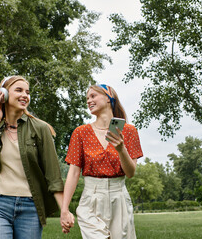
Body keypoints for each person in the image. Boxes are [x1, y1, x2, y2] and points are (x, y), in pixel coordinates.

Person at [0, 75, 73, 238]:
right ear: (3, 94)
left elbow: (53, 176)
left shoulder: (40, 128)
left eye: (27, 91)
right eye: (18, 90)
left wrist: (64, 210)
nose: (25, 95)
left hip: (30, 207)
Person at [60, 84, 143, 238]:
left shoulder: (129, 131)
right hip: (91, 198)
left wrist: (121, 149)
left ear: (108, 97)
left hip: (119, 198)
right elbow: (73, 173)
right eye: (87, 98)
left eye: (93, 96)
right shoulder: (81, 133)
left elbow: (130, 173)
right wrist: (64, 210)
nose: (89, 101)